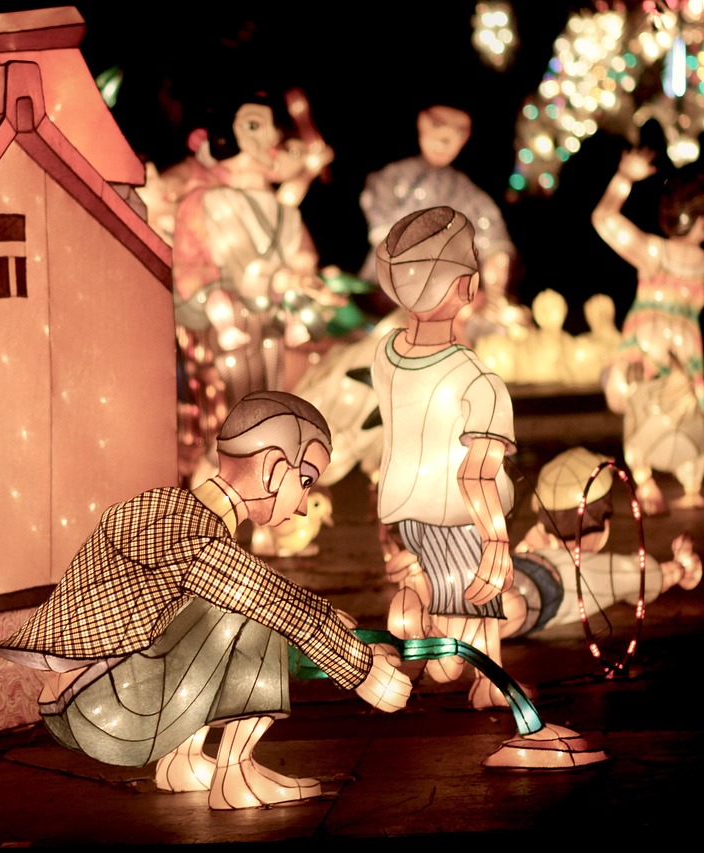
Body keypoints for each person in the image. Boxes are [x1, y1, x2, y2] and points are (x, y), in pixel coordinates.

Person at [0, 391, 411, 810]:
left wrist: (329, 624)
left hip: (92, 696)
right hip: (105, 707)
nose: (302, 505)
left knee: (230, 602)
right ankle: (237, 774)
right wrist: (361, 668)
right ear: (271, 468)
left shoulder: (171, 508)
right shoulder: (189, 533)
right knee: (252, 608)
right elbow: (265, 596)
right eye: (305, 481)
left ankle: (183, 761)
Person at [370, 206, 516, 711]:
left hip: (404, 516)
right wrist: (496, 538)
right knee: (477, 612)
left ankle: (422, 610)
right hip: (459, 518)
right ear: (465, 287)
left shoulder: (385, 352)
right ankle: (474, 672)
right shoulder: (479, 378)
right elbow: (477, 472)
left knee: (464, 621)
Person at [171, 91, 342, 487]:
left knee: (266, 415)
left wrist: (308, 280)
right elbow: (237, 267)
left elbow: (301, 255)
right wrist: (286, 279)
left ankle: (259, 499)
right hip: (223, 324)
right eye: (253, 126)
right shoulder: (212, 200)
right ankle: (208, 498)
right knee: (229, 424)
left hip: (271, 321)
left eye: (271, 128)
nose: (269, 138)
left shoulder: (283, 211)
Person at [591, 147, 704, 512]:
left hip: (685, 355)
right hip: (644, 350)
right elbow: (604, 218)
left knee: (688, 412)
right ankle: (644, 480)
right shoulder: (653, 253)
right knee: (640, 406)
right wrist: (623, 179)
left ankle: (690, 482)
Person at [359, 105, 526, 344]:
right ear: (420, 122)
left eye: (458, 132)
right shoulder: (392, 179)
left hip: (451, 302)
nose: (445, 140)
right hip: (388, 296)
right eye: (437, 125)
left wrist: (494, 295)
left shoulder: (469, 195)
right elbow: (386, 239)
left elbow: (494, 245)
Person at [506, 447, 702, 638]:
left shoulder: (531, 545)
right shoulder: (597, 572)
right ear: (602, 519)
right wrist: (683, 567)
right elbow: (649, 575)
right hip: (524, 598)